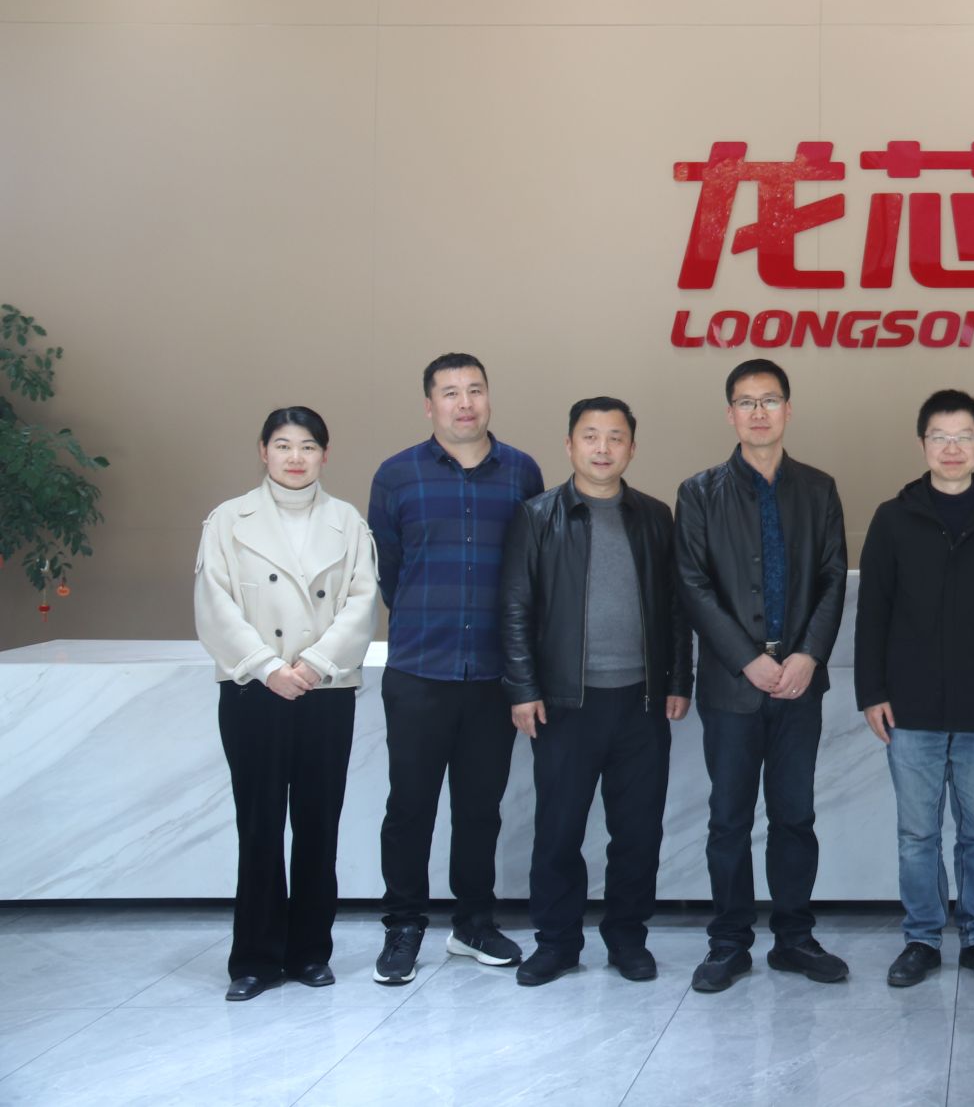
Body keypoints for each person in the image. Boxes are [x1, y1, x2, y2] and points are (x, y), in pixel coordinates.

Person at [499, 397, 693, 987]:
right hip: (565, 703)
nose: (602, 448)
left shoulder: (655, 516)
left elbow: (677, 608)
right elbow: (515, 606)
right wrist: (523, 687)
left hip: (640, 702)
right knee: (559, 831)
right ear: (569, 445)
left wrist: (677, 680)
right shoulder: (537, 516)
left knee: (637, 832)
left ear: (632, 448)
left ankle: (627, 939)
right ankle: (556, 942)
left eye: (615, 437)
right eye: (590, 436)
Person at [856, 389, 974, 989]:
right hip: (909, 706)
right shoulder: (893, 518)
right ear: (923, 444)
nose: (952, 447)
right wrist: (871, 691)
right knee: (917, 835)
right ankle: (922, 938)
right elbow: (873, 613)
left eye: (963, 436)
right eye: (941, 436)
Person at [368, 353, 544, 984]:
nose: (464, 403)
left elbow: (533, 570)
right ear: (429, 405)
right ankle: (403, 927)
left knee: (479, 810)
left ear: (489, 397)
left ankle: (473, 925)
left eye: (474, 390)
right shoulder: (397, 475)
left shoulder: (522, 471)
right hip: (420, 670)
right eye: (449, 392)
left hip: (493, 678)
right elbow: (388, 572)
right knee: (409, 808)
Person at [676, 359, 849, 993]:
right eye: (745, 402)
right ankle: (728, 943)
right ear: (730, 414)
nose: (758, 412)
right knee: (728, 819)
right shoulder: (699, 493)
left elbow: (833, 577)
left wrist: (807, 655)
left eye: (769, 400)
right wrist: (747, 659)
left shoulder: (819, 488)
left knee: (795, 816)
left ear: (788, 410)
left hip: (799, 682)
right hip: (732, 684)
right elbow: (692, 585)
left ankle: (795, 939)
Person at [194, 407, 378, 1001]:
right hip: (253, 690)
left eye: (307, 446)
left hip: (326, 690)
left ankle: (310, 953)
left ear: (325, 454)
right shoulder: (229, 520)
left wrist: (315, 663)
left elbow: (362, 603)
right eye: (282, 445)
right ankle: (254, 959)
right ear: (263, 451)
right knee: (260, 825)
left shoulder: (347, 522)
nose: (295, 457)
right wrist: (268, 667)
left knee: (319, 825)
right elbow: (213, 603)